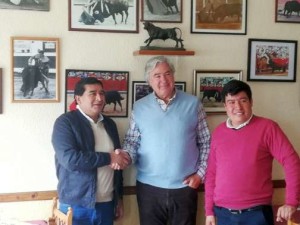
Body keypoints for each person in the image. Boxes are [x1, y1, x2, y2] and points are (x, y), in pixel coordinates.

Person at [122, 56, 211, 225]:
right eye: (157, 75)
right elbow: (132, 142)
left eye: (167, 73)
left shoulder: (193, 104)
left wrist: (200, 175)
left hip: (185, 189)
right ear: (149, 80)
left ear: (173, 76)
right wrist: (124, 156)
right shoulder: (139, 107)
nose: (163, 79)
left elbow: (206, 143)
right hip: (148, 189)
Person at [204, 80, 300, 225]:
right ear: (225, 106)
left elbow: (292, 161)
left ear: (251, 102)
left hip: (257, 215)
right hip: (223, 215)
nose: (237, 107)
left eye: (243, 100)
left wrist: (291, 202)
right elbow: (211, 173)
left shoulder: (268, 128)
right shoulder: (218, 132)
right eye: (231, 102)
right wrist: (209, 212)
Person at [51, 77, 131, 225]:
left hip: (107, 204)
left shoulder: (110, 124)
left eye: (102, 93)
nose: (99, 98)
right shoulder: (65, 123)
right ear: (78, 99)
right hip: (76, 205)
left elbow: (118, 162)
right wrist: (109, 158)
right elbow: (70, 160)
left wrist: (119, 197)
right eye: (92, 93)